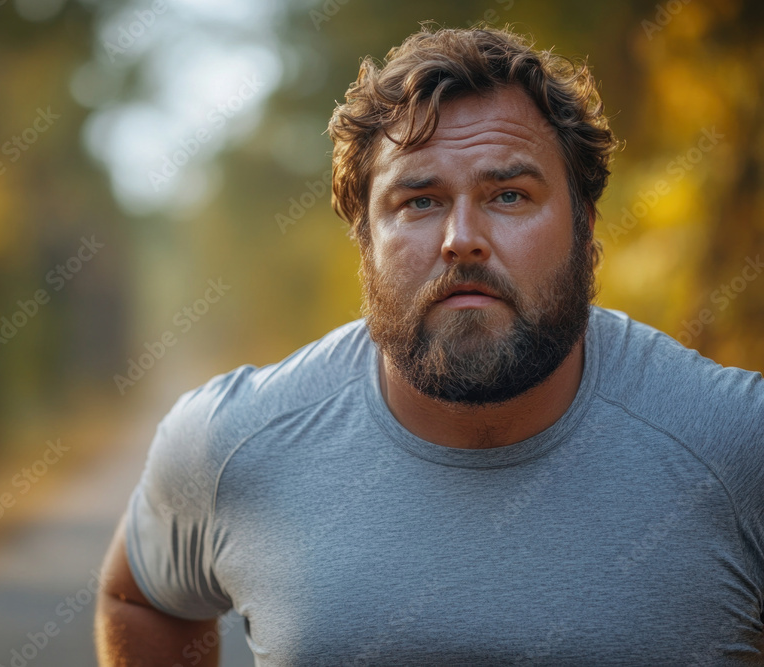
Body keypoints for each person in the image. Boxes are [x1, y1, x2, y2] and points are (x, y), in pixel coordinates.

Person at [96, 24, 764, 666]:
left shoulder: (739, 445)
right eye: (419, 200)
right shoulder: (233, 444)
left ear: (585, 229)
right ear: (364, 242)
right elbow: (138, 597)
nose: (461, 237)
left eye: (508, 193)